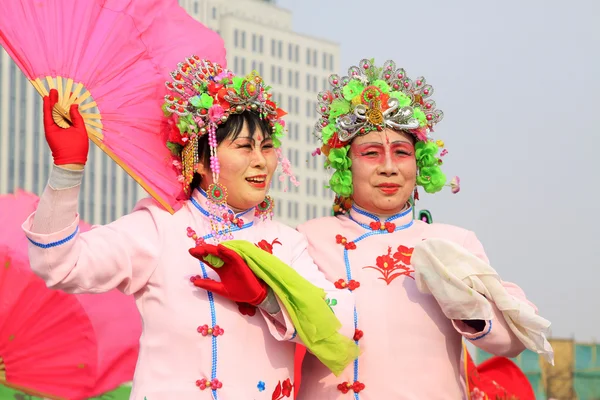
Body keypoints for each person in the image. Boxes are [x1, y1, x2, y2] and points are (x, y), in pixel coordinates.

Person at [22, 59, 356, 399]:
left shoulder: (287, 243)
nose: (260, 161)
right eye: (244, 146)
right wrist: (67, 168)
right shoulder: (160, 226)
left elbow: (344, 325)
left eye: (266, 147)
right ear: (196, 158)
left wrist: (264, 298)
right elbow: (59, 265)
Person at [296, 58, 552, 399]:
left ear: (420, 163)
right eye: (371, 153)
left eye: (401, 152)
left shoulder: (453, 242)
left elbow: (510, 341)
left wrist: (468, 309)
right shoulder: (309, 237)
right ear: (345, 162)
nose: (388, 167)